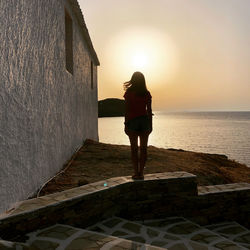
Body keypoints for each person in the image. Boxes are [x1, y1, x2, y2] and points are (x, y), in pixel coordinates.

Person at [123, 71, 153, 180]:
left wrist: (126, 124)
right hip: (145, 122)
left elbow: (127, 110)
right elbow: (149, 110)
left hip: (133, 121)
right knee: (144, 149)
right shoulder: (146, 93)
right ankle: (141, 173)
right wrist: (151, 125)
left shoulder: (129, 93)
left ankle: (136, 173)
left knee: (134, 149)